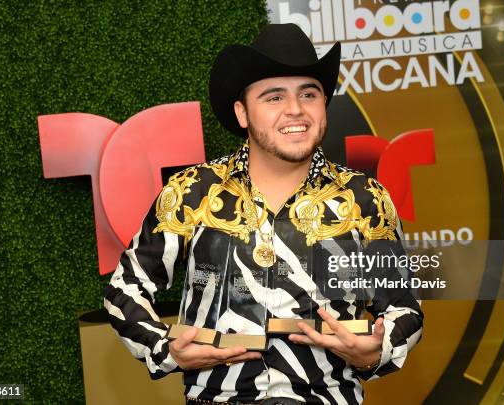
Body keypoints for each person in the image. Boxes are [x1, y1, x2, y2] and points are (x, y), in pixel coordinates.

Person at [104, 23, 423, 405]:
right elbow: (125, 288)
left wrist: (378, 350)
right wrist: (164, 349)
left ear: (323, 104)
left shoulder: (365, 199)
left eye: (309, 93)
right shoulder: (194, 191)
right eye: (273, 97)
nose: (295, 110)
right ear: (242, 112)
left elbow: (403, 306)